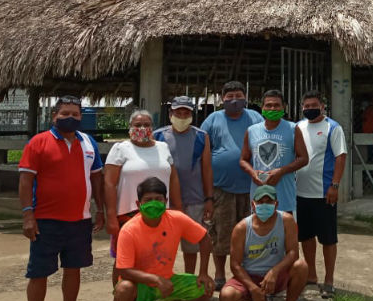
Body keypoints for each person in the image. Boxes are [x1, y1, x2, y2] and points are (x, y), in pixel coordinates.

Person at [18, 95, 105, 301]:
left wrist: (100, 209)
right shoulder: (38, 142)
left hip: (80, 220)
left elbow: (97, 180)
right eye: (65, 113)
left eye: (76, 114)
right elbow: (25, 182)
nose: (71, 118)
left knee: (74, 269)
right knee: (38, 274)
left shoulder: (88, 142)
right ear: (54, 116)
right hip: (46, 221)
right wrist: (27, 215)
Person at [113, 177, 215, 301]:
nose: (153, 204)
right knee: (123, 289)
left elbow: (205, 239)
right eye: (148, 200)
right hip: (140, 286)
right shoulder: (129, 230)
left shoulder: (176, 219)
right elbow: (123, 269)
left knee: (206, 288)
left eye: (158, 199)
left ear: (166, 201)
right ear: (139, 203)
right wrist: (155, 279)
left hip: (168, 281)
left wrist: (203, 272)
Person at [104, 110, 183, 286]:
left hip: (160, 213)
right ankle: (123, 297)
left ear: (152, 128)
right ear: (130, 127)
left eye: (146, 125)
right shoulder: (120, 149)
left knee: (156, 255)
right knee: (124, 259)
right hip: (128, 214)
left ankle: (149, 299)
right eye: (137, 125)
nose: (142, 128)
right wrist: (110, 216)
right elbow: (109, 183)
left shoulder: (162, 148)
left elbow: (174, 178)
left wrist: (178, 208)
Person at [200, 81, 264, 290]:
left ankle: (246, 273)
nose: (234, 100)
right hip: (221, 188)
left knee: (250, 233)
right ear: (222, 98)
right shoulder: (213, 119)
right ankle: (219, 273)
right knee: (220, 233)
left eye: (238, 95)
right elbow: (202, 149)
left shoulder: (255, 118)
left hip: (251, 188)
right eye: (229, 97)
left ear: (245, 97)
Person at [219, 185, 308, 301]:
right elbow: (235, 264)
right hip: (251, 275)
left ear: (276, 204)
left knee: (301, 265)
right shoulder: (242, 228)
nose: (264, 205)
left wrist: (274, 271)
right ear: (253, 204)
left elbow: (293, 252)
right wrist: (253, 288)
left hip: (277, 275)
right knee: (226, 298)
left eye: (269, 202)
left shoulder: (286, 220)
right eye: (260, 202)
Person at [295, 90, 347, 299]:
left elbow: (340, 157)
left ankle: (329, 281)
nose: (309, 109)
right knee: (306, 237)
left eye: (313, 105)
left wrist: (334, 185)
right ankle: (311, 276)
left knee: (327, 239)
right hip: (300, 192)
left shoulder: (333, 128)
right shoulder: (298, 127)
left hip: (324, 193)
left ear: (323, 106)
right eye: (306, 106)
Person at [154, 96, 214, 274]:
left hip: (194, 199)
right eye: (178, 112)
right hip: (165, 202)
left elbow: (207, 170)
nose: (181, 116)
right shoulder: (158, 136)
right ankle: (160, 280)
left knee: (191, 246)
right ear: (171, 113)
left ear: (192, 114)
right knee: (162, 246)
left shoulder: (202, 137)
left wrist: (209, 198)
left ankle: (189, 280)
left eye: (186, 112)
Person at [240, 89, 308, 214]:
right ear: (262, 107)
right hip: (259, 197)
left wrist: (281, 171)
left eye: (277, 105)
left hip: (284, 196)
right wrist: (253, 173)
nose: (272, 108)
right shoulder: (251, 131)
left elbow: (304, 158)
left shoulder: (293, 129)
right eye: (268, 105)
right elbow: (243, 160)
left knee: (283, 231)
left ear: (284, 107)